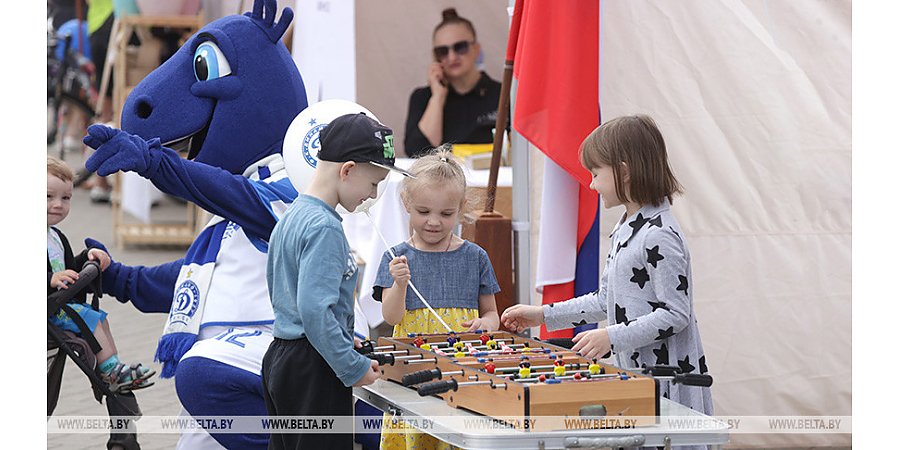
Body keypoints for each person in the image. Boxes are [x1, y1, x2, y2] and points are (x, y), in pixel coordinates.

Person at [501, 115, 714, 417]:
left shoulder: (660, 235)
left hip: (668, 382)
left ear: (624, 172)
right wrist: (542, 315)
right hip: (638, 375)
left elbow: (675, 314)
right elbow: (605, 299)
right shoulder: (627, 226)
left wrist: (610, 337)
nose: (591, 184)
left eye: (596, 174)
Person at [263, 113, 411, 449]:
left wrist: (344, 340)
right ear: (347, 170)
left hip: (282, 357)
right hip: (313, 366)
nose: (372, 195)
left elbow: (286, 293)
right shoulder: (326, 228)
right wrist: (352, 365)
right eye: (373, 183)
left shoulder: (293, 216)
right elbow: (315, 312)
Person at [373, 147, 501, 450]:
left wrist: (484, 324)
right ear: (406, 203)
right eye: (423, 211)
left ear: (461, 208)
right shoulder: (395, 257)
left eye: (445, 214)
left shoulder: (475, 257)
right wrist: (399, 283)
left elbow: (493, 315)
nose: (433, 222)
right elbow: (390, 318)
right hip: (412, 368)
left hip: (463, 366)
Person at [47, 155, 156, 393]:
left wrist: (88, 257)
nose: (58, 204)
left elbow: (68, 268)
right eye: (48, 197)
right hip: (47, 309)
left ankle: (114, 366)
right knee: (90, 319)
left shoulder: (55, 236)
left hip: (59, 305)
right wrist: (49, 279)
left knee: (99, 317)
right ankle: (110, 371)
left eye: (66, 198)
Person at [403, 8, 502, 158]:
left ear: (476, 49)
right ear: (435, 57)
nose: (452, 56)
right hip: (443, 180)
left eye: (460, 47)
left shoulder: (503, 95)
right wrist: (437, 97)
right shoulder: (422, 97)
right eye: (442, 51)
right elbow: (416, 153)